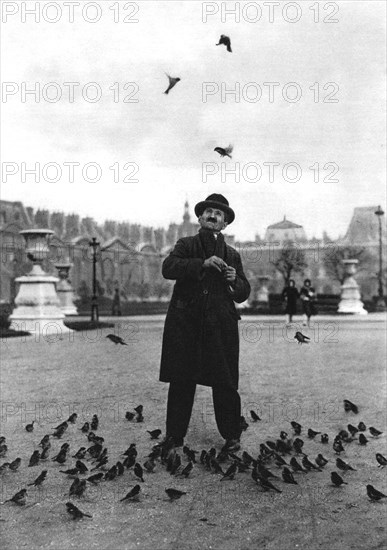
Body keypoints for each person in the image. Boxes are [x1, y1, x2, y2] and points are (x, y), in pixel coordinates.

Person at [159, 194, 251, 453]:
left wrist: (235, 280)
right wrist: (202, 263)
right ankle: (174, 437)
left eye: (219, 214)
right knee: (181, 381)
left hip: (220, 325)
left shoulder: (232, 254)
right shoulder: (186, 244)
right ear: (200, 218)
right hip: (186, 323)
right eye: (209, 212)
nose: (213, 216)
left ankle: (232, 435)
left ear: (225, 224)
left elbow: (244, 291)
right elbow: (169, 268)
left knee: (225, 382)